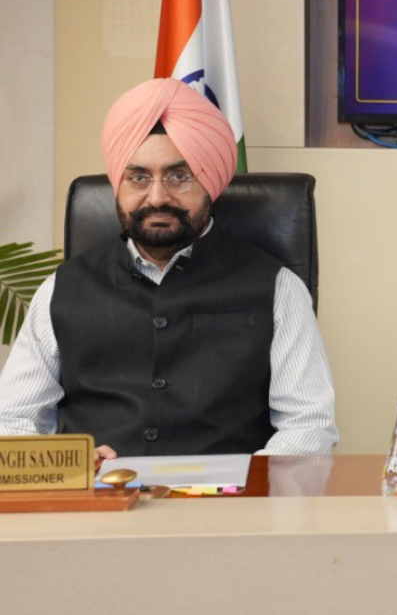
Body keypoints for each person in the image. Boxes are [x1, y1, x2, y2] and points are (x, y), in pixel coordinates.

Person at [0, 78, 338, 460]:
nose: (158, 197)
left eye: (180, 176)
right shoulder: (60, 290)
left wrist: (245, 484)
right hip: (99, 496)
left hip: (227, 497)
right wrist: (70, 465)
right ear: (117, 184)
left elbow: (308, 424)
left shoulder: (278, 288)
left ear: (210, 182)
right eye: (138, 178)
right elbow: (14, 420)